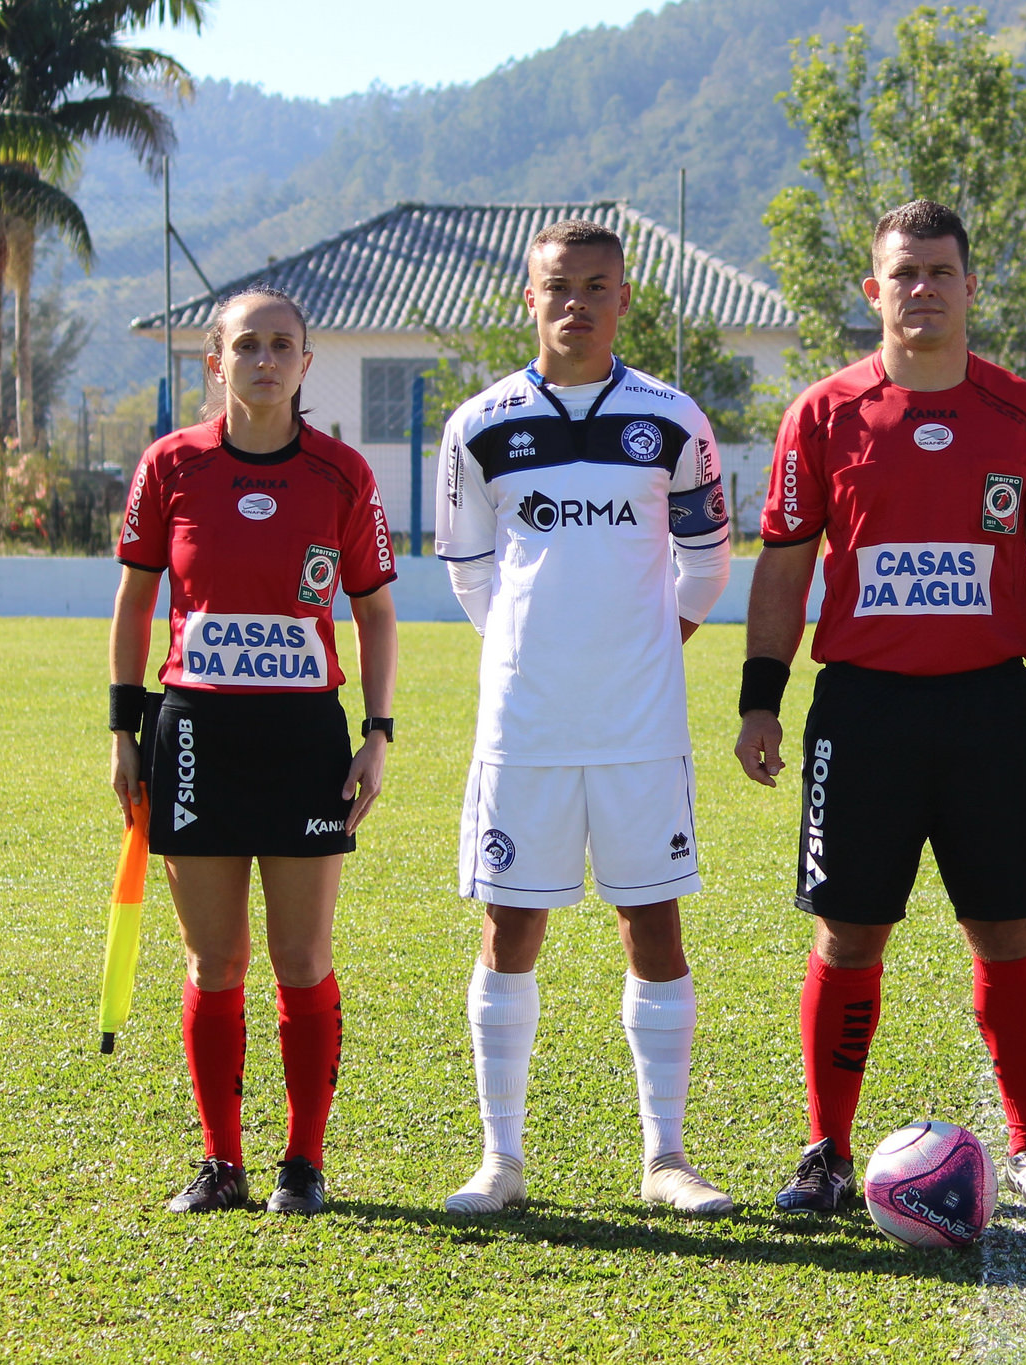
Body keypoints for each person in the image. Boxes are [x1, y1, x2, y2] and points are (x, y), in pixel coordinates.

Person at [734, 199, 1026, 1214]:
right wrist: (759, 701)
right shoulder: (820, 416)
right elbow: (782, 570)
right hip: (861, 714)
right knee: (848, 934)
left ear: (968, 288)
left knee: (1006, 932)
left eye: (939, 271)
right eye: (902, 273)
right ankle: (822, 1149)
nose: (920, 289)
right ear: (873, 291)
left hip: (989, 711)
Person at [433, 219, 734, 1217]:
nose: (575, 302)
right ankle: (501, 1163)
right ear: (531, 297)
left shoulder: (672, 419)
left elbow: (703, 561)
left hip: (639, 727)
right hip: (524, 726)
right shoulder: (479, 423)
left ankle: (666, 1161)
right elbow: (469, 570)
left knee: (652, 923)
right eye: (557, 286)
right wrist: (533, 651)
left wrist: (647, 651)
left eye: (595, 286)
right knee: (509, 926)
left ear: (623, 298)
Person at [108, 286, 399, 1216]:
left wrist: (376, 733)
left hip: (306, 735)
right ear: (215, 362)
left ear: (306, 364)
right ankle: (221, 1161)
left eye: (283, 346)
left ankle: (302, 1164)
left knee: (302, 956)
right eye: (248, 345)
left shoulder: (342, 473)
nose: (265, 360)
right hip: (194, 731)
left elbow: (375, 611)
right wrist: (124, 730)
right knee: (214, 960)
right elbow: (134, 603)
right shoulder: (172, 466)